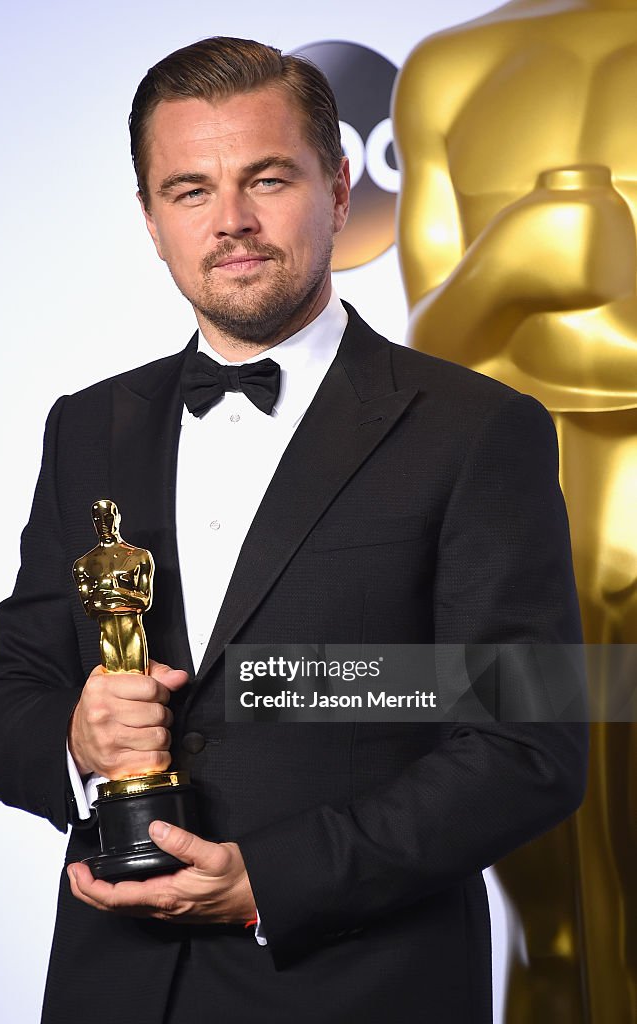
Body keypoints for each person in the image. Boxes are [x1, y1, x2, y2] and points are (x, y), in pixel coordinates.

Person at [0, 36, 587, 1024]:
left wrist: (274, 877)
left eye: (267, 178)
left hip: (361, 991)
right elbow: (4, 707)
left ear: (339, 189)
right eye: (190, 190)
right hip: (112, 989)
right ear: (150, 221)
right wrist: (75, 738)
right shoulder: (88, 426)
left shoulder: (479, 431)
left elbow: (528, 746)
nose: (232, 223)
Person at [392, 3, 637, 1018]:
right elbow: (425, 362)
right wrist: (506, 267)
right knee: (550, 924)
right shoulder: (447, 68)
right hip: (512, 540)